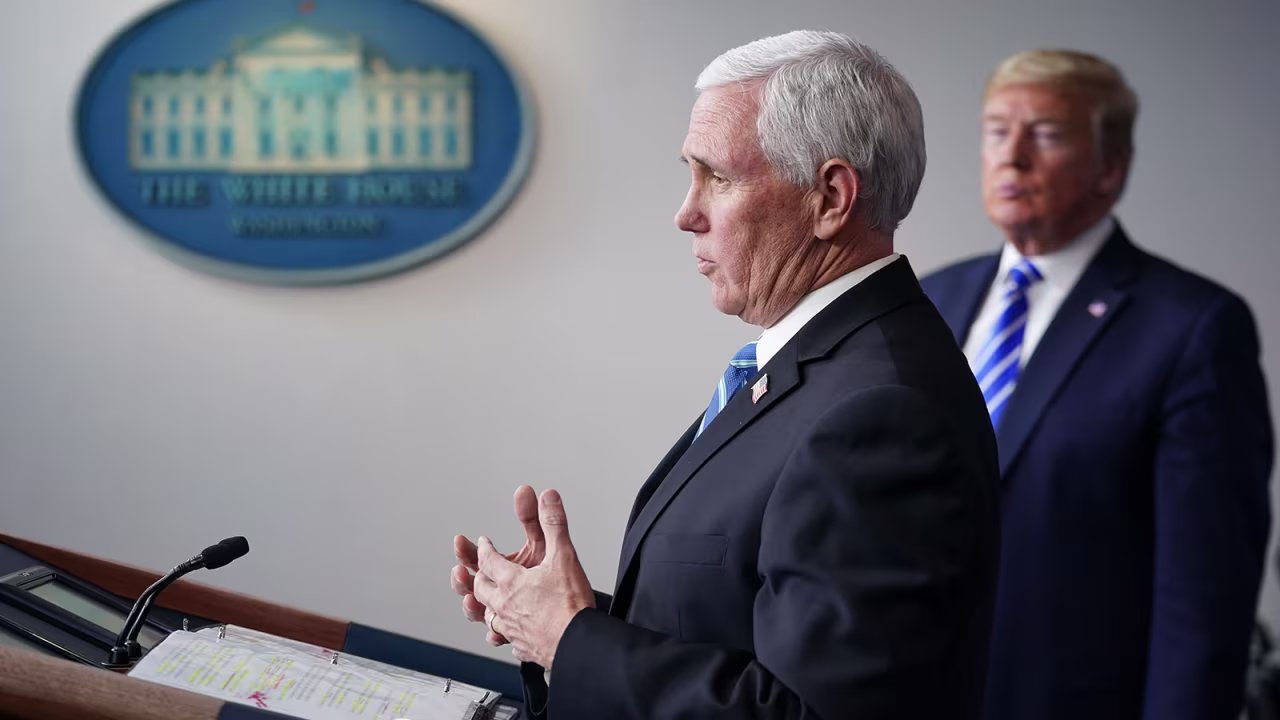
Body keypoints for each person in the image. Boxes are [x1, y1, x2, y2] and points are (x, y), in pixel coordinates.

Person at [450, 30, 1001, 719]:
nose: (687, 214)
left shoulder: (881, 411)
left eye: (718, 176)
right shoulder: (823, 367)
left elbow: (813, 714)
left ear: (830, 197)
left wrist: (573, 641)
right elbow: (746, 626)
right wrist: (566, 617)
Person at [921, 49, 1274, 720]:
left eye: (1047, 134)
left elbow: (1203, 597)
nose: (1013, 156)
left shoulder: (1194, 328)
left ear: (1111, 167)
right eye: (997, 131)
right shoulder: (931, 299)